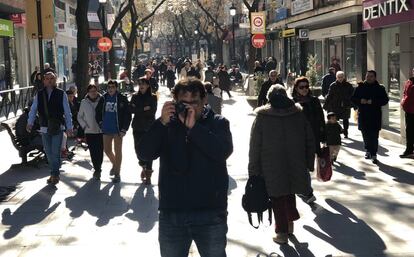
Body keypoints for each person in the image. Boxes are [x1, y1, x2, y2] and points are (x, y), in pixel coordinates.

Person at [138, 78, 233, 257]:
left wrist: (194, 128)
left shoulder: (218, 123)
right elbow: (144, 153)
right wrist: (160, 123)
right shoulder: (168, 125)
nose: (189, 108)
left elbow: (222, 151)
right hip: (172, 213)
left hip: (210, 213)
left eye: (194, 103)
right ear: (174, 101)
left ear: (205, 100)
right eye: (184, 103)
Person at [248, 85, 315, 244]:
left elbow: (255, 145)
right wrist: (309, 163)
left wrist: (253, 169)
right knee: (289, 192)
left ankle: (281, 232)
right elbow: (309, 139)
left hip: (270, 164)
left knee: (277, 197)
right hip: (296, 162)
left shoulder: (262, 116)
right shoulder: (298, 114)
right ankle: (290, 223)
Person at [27, 71, 73, 185]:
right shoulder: (39, 94)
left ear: (55, 80)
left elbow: (67, 112)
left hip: (58, 127)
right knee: (48, 152)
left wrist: (69, 127)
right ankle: (53, 172)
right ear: (44, 81)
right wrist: (30, 122)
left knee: (55, 152)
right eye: (47, 78)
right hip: (44, 127)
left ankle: (55, 174)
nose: (49, 80)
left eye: (51, 78)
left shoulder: (61, 94)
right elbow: (33, 109)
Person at [292, 76, 325, 204]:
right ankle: (307, 191)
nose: (305, 89)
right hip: (299, 139)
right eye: (301, 87)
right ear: (296, 88)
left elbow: (321, 119)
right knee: (304, 166)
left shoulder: (314, 101)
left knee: (307, 165)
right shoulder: (292, 102)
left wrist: (323, 136)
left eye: (306, 87)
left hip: (313, 137)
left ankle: (305, 190)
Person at [96, 80, 131, 183]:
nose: (110, 89)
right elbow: (97, 112)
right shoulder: (103, 98)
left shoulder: (122, 98)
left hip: (118, 130)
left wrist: (124, 129)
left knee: (118, 151)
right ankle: (115, 165)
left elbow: (127, 115)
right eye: (109, 87)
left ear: (116, 88)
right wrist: (100, 123)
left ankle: (117, 174)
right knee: (107, 150)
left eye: (113, 87)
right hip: (106, 129)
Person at [352, 71, 389, 164]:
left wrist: (373, 102)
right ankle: (368, 150)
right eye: (367, 76)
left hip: (375, 116)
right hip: (363, 115)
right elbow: (353, 99)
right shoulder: (360, 87)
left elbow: (385, 100)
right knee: (366, 135)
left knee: (374, 136)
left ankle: (374, 154)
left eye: (371, 76)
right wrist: (360, 101)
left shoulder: (380, 88)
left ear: (375, 77)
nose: (368, 78)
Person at [130, 78, 157, 185]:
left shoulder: (153, 97)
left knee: (149, 150)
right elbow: (131, 110)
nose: (141, 86)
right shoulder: (135, 97)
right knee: (138, 150)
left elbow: (152, 111)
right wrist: (143, 109)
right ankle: (143, 166)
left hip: (149, 127)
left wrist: (139, 109)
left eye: (143, 84)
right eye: (139, 83)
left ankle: (148, 174)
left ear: (147, 86)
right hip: (137, 127)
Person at [77, 84, 103, 180]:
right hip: (89, 131)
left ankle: (99, 168)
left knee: (100, 151)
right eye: (91, 91)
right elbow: (79, 116)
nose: (93, 93)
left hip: (100, 131)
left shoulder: (102, 100)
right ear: (88, 92)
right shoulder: (84, 102)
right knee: (93, 151)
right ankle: (96, 169)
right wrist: (84, 126)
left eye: (94, 91)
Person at [323, 71, 354, 138]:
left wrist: (354, 105)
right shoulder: (333, 85)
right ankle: (338, 131)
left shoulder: (348, 85)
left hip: (345, 105)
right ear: (336, 77)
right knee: (335, 119)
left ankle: (345, 131)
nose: (340, 78)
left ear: (344, 77)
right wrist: (326, 105)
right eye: (339, 77)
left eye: (341, 77)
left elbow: (352, 95)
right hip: (335, 105)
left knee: (346, 119)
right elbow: (329, 95)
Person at [400, 67, 414, 158]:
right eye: (413, 71)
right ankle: (409, 150)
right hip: (408, 110)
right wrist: (403, 102)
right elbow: (405, 93)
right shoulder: (409, 81)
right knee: (409, 131)